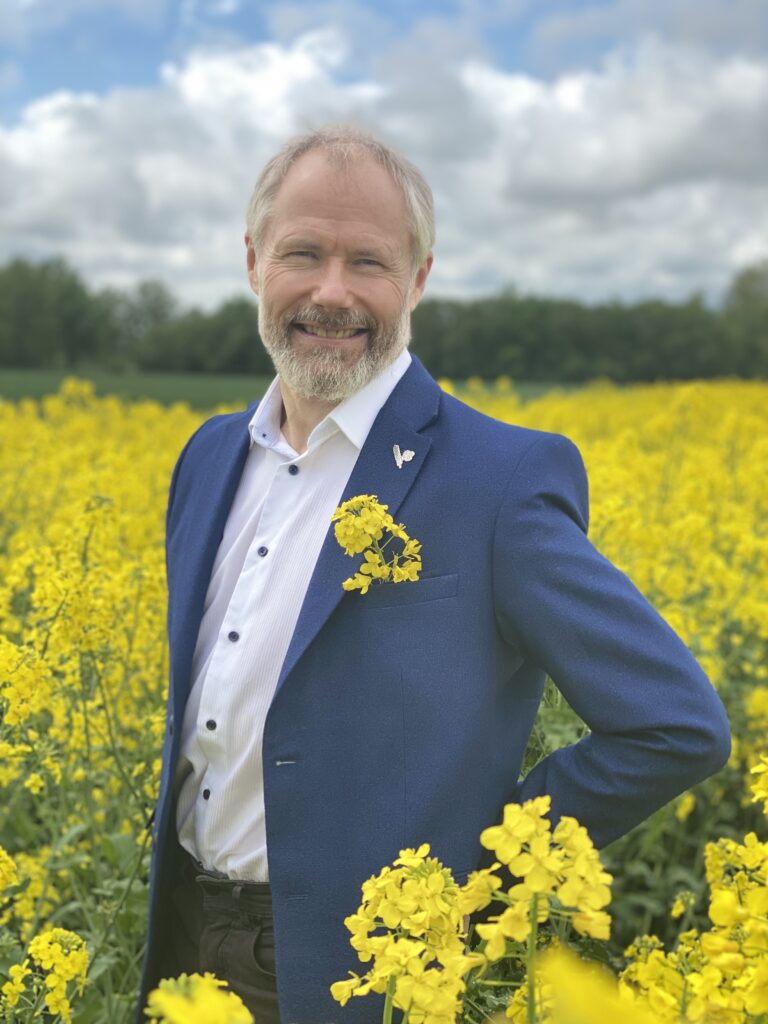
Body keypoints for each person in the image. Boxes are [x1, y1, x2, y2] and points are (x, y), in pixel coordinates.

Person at [136, 125, 730, 1024]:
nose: (332, 292)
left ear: (417, 279)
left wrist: (482, 872)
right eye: (303, 253)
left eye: (369, 262)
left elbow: (676, 725)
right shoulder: (207, 458)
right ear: (254, 262)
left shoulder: (500, 480)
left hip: (356, 980)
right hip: (180, 948)